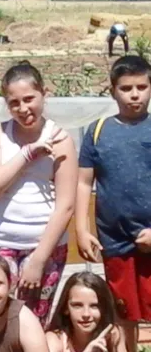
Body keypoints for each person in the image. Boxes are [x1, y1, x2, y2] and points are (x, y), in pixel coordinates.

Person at [0, 61, 77, 324]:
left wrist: (38, 259)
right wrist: (28, 153)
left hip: (45, 247)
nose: (23, 109)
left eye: (29, 99)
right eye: (14, 103)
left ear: (44, 93)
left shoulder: (60, 138)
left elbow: (66, 205)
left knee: (34, 324)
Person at [76, 55, 151, 352]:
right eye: (126, 88)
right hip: (115, 240)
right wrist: (81, 230)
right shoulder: (97, 132)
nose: (134, 94)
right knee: (123, 313)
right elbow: (84, 183)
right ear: (113, 92)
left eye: (142, 87)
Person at [46, 271, 127, 352]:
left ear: (104, 309)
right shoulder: (55, 340)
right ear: (66, 308)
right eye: (77, 305)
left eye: (94, 306)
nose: (86, 314)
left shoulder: (113, 335)